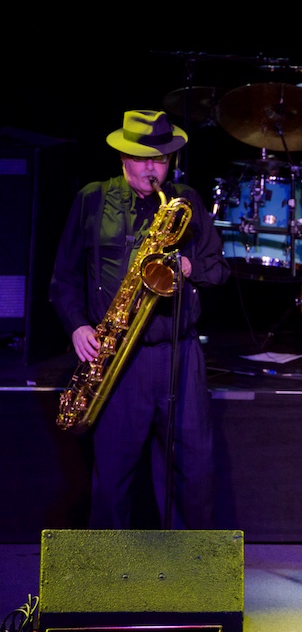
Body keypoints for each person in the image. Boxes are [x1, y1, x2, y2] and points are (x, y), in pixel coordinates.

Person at [49, 109, 231, 529]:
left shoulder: (184, 203)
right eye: (143, 157)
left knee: (193, 474)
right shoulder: (92, 199)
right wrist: (78, 326)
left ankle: (189, 579)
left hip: (178, 355)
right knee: (112, 476)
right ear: (123, 156)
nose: (153, 168)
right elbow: (63, 278)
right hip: (117, 357)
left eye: (161, 159)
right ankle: (108, 581)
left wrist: (187, 266)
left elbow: (218, 268)